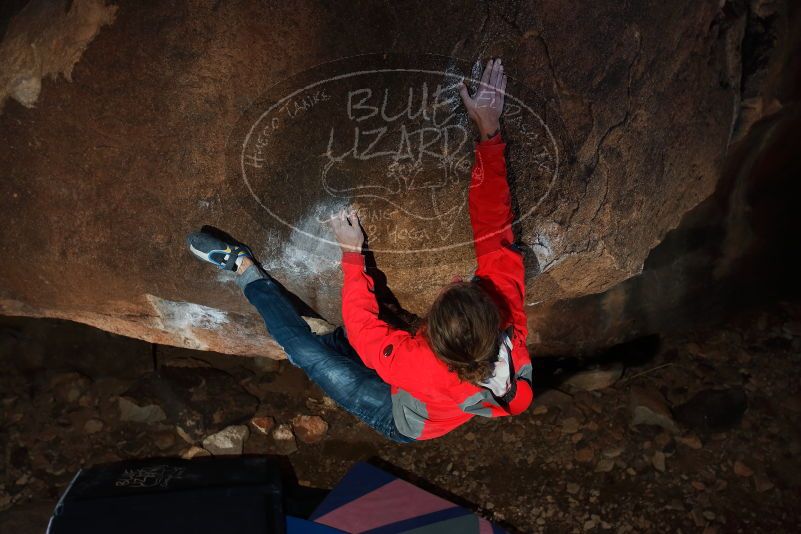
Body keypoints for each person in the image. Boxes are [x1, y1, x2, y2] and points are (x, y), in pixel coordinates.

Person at [187, 58, 532, 442]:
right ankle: (328, 337)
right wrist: (489, 130)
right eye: (462, 285)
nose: (453, 278)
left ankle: (242, 268)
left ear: (429, 336)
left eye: (448, 289)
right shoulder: (508, 315)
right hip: (431, 384)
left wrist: (352, 252)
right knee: (338, 343)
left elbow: (363, 324)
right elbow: (493, 224)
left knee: (308, 354)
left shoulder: (416, 363)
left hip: (403, 416)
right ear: (492, 317)